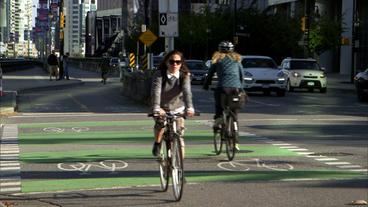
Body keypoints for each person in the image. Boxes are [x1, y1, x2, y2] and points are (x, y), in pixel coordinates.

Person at [151, 50, 195, 157]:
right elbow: (156, 91)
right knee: (160, 124)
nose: (174, 64)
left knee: (179, 132)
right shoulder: (159, 74)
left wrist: (189, 107)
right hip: (162, 107)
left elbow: (187, 92)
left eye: (178, 62)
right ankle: (157, 143)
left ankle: (179, 162)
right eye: (171, 62)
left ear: (181, 63)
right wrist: (157, 107)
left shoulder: (184, 75)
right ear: (166, 62)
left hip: (178, 107)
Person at [203, 41, 245, 151]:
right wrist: (241, 88)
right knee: (234, 114)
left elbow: (210, 75)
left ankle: (218, 120)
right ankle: (235, 142)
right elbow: (242, 76)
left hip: (222, 89)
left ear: (219, 50)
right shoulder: (237, 61)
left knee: (219, 107)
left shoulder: (217, 61)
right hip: (236, 89)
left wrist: (206, 86)